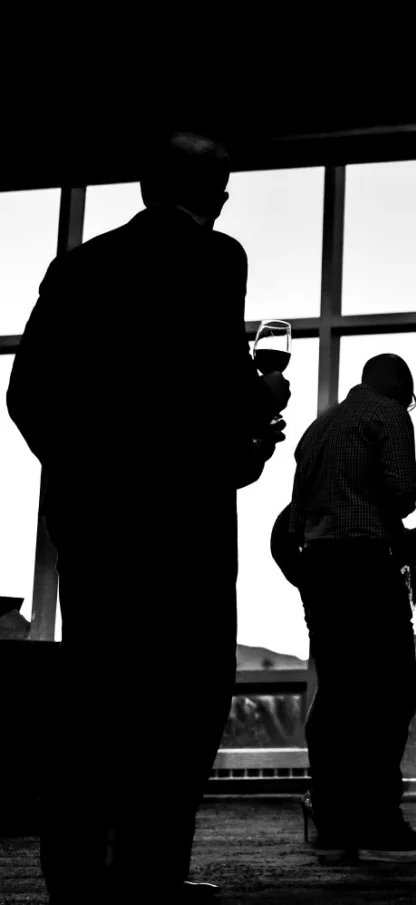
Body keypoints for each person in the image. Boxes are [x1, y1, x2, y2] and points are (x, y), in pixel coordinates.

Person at [6, 132, 291, 902]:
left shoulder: (77, 265)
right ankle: (148, 874)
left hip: (94, 527)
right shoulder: (216, 257)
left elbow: (25, 395)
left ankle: (74, 876)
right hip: (184, 527)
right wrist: (257, 417)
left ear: (142, 189)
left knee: (96, 698)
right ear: (219, 195)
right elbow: (215, 389)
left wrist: (89, 479)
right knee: (186, 697)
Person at [289, 354, 416, 864]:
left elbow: (297, 514)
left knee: (340, 694)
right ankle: (380, 825)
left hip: (318, 565)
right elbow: (401, 493)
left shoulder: (317, 429)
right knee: (390, 690)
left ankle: (335, 822)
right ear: (400, 387)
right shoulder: (386, 414)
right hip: (364, 563)